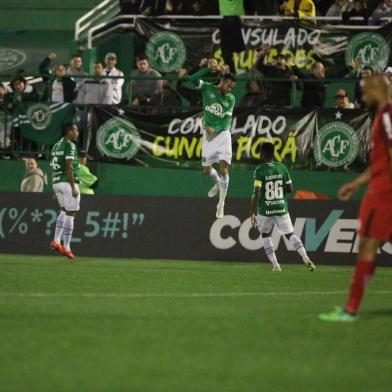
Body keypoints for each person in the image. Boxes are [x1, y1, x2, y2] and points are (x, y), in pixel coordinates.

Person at [319, 75, 392, 322]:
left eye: (365, 91)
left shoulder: (387, 116)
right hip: (379, 190)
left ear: (377, 88)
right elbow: (382, 161)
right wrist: (356, 183)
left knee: (368, 247)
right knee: (367, 246)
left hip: (385, 194)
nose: (362, 97)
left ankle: (351, 308)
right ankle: (351, 307)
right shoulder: (381, 115)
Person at [250, 142, 316, 272]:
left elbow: (257, 191)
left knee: (265, 235)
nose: (260, 154)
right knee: (290, 234)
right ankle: (305, 257)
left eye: (261, 152)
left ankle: (276, 266)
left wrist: (252, 212)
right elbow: (290, 188)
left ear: (263, 153)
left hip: (265, 208)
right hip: (281, 206)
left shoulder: (260, 170)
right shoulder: (282, 168)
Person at [186, 65, 236, 219]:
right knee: (206, 170)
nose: (229, 89)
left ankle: (221, 204)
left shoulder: (230, 98)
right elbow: (190, 79)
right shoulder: (207, 88)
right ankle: (217, 183)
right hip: (208, 137)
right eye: (228, 86)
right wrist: (207, 69)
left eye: (232, 87)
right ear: (221, 81)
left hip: (222, 135)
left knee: (224, 171)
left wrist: (215, 128)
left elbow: (227, 120)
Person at [49, 123, 81, 259]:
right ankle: (67, 247)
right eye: (75, 130)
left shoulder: (56, 145)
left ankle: (56, 241)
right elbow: (69, 167)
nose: (77, 132)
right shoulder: (69, 145)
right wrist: (73, 187)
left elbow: (54, 165)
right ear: (68, 132)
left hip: (56, 182)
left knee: (63, 210)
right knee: (71, 212)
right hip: (67, 182)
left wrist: (57, 186)